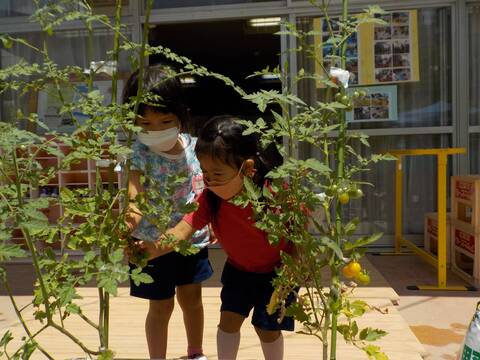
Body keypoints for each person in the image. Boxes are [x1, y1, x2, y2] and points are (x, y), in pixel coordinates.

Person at [142, 115, 295, 360]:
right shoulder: (210, 198)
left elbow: (297, 234)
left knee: (266, 329)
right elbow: (182, 230)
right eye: (204, 172)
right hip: (238, 271)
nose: (209, 180)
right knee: (228, 322)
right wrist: (150, 250)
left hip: (277, 275)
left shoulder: (275, 194)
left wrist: (294, 271)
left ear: (246, 168)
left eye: (217, 173)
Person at [123, 65, 212, 360]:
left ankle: (195, 353)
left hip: (189, 240)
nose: (156, 130)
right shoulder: (138, 152)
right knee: (160, 305)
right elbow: (133, 197)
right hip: (151, 244)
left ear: (181, 115)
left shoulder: (196, 149)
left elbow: (205, 194)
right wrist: (125, 226)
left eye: (165, 121)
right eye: (145, 123)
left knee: (192, 299)